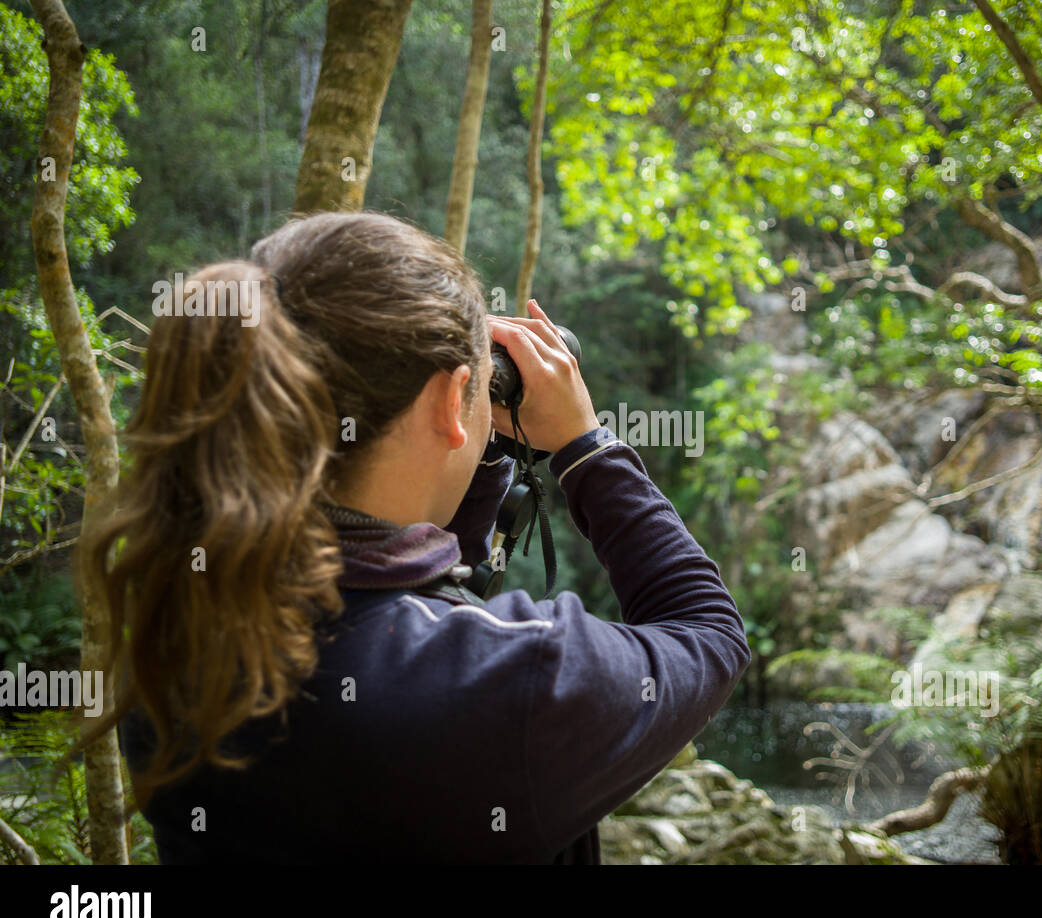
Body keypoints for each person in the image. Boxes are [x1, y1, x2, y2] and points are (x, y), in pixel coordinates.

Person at [84, 211, 750, 863]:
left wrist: (481, 445)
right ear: (448, 399)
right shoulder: (514, 683)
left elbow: (405, 597)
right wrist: (586, 447)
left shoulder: (177, 628)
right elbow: (709, 632)